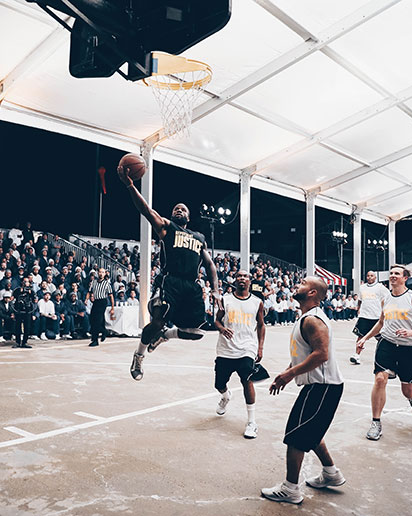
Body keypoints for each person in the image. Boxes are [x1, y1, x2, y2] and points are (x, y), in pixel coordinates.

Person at [117, 165, 220, 380]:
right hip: (169, 281)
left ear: (189, 217)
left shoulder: (199, 237)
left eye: (183, 209)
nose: (179, 210)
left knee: (196, 334)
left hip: (191, 286)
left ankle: (164, 336)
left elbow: (210, 265)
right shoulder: (167, 227)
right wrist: (130, 185)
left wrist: (216, 291)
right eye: (176, 209)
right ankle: (139, 355)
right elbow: (146, 210)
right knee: (156, 322)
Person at [262, 276, 345, 505]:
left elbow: (321, 354)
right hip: (319, 386)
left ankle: (290, 489)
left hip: (323, 387)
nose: (297, 286)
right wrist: (289, 374)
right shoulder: (306, 318)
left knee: (296, 436)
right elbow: (305, 354)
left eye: (302, 284)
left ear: (312, 294)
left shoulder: (312, 320)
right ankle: (331, 473)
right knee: (310, 429)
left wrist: (289, 374)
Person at [356, 264, 412, 441]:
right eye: (391, 273)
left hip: (409, 348)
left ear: (405, 278)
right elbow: (381, 323)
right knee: (379, 379)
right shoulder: (385, 299)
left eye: (397, 274)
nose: (392, 276)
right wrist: (365, 338)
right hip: (387, 344)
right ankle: (376, 422)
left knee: (407, 389)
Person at [213, 270, 266, 439]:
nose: (242, 278)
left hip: (246, 348)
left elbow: (261, 325)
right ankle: (226, 396)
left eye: (245, 276)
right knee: (219, 383)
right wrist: (222, 328)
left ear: (250, 281)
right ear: (234, 280)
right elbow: (216, 319)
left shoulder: (257, 302)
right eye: (239, 276)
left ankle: (252, 422)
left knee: (247, 379)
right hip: (226, 348)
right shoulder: (225, 300)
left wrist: (260, 348)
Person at [350, 271, 389, 365]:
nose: (369, 277)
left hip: (376, 317)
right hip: (364, 316)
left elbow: (388, 298)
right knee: (360, 336)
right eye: (368, 276)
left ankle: (384, 357)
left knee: (381, 338)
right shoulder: (362, 287)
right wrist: (359, 309)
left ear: (375, 277)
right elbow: (360, 300)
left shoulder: (380, 287)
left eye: (371, 276)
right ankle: (357, 356)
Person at [87, 267, 115, 347]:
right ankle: (104, 331)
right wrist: (86, 299)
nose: (101, 273)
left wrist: (112, 308)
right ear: (97, 273)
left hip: (102, 301)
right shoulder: (94, 282)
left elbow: (111, 296)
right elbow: (89, 291)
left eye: (102, 272)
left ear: (105, 273)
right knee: (93, 318)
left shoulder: (106, 283)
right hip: (96, 301)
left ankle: (95, 339)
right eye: (100, 272)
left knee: (97, 320)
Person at [12, 278, 36, 348]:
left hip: (27, 311)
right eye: (24, 281)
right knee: (17, 326)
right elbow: (12, 299)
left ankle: (25, 342)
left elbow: (35, 300)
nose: (26, 283)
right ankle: (18, 342)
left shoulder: (31, 291)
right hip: (19, 310)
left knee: (27, 327)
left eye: (27, 282)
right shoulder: (17, 290)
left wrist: (32, 295)